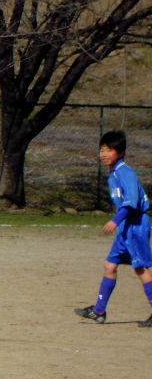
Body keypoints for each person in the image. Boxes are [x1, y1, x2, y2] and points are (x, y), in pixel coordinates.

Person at [74, 130, 152, 327]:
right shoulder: (114, 173)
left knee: (140, 268)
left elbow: (132, 201)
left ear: (121, 152)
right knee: (110, 265)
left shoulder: (125, 172)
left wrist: (115, 221)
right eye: (102, 150)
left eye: (109, 150)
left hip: (135, 224)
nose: (104, 154)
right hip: (126, 226)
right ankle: (99, 311)